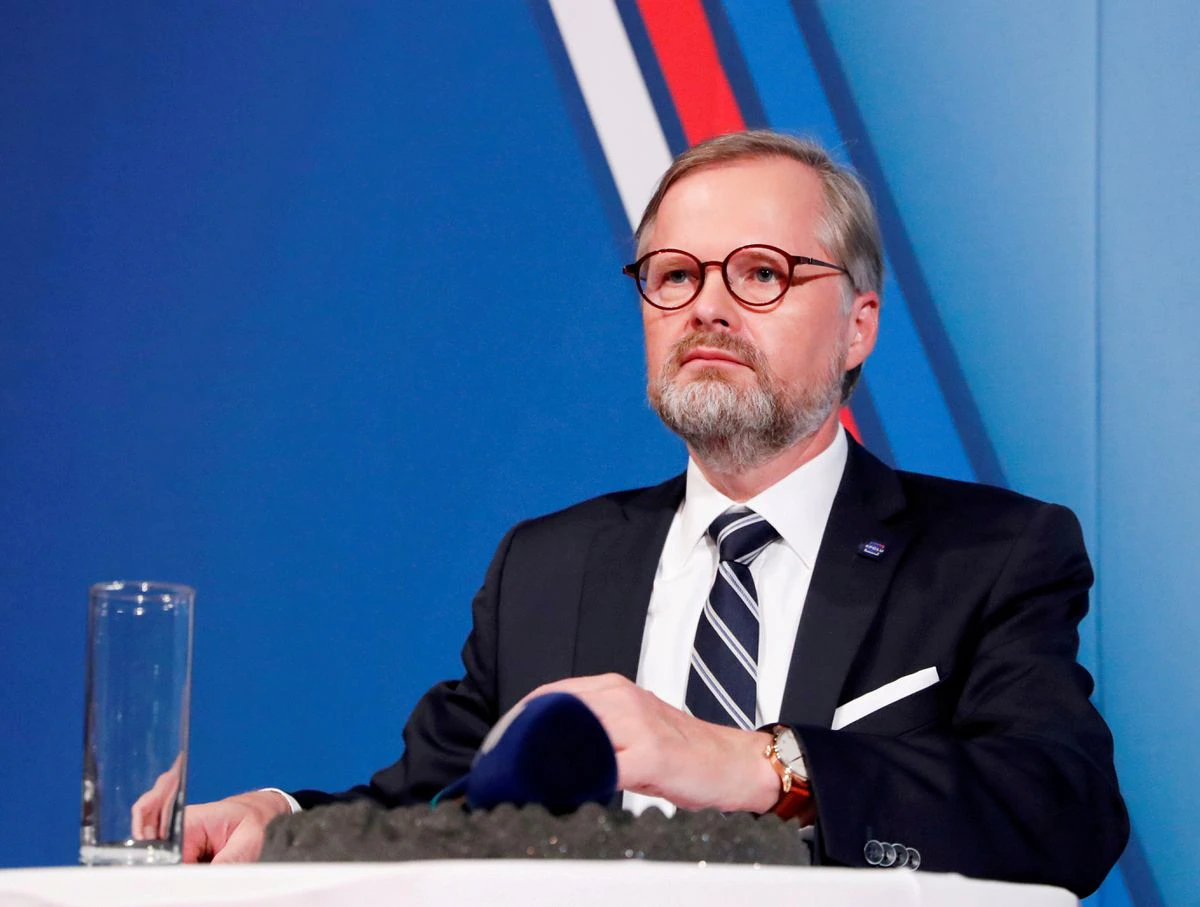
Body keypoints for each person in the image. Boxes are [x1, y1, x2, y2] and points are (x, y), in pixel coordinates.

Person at [162, 131, 1128, 894]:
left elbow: (1066, 817)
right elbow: (429, 806)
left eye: (761, 272)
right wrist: (282, 825)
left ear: (858, 325)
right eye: (674, 275)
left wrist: (763, 767)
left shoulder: (991, 553)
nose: (706, 307)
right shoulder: (548, 565)